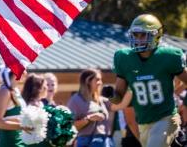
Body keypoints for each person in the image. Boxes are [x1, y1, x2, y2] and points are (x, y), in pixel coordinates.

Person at [107, 14, 187, 147]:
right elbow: (119, 98)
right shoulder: (124, 58)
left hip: (166, 117)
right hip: (143, 123)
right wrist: (111, 95)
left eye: (143, 35)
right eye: (135, 35)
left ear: (156, 35)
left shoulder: (168, 56)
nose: (138, 39)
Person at [67, 69, 120, 147]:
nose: (101, 83)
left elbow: (119, 105)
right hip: (87, 141)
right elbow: (70, 126)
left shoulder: (100, 99)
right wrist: (89, 118)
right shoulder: (75, 100)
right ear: (88, 81)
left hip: (105, 141)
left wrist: (129, 87)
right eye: (97, 80)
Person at [0, 67, 26, 147]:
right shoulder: (5, 90)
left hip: (20, 142)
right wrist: (24, 126)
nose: (26, 71)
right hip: (9, 143)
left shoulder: (16, 90)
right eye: (23, 67)